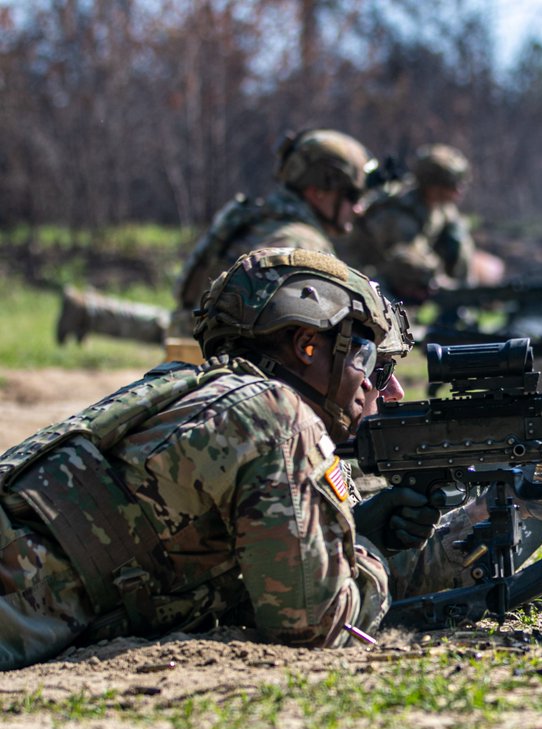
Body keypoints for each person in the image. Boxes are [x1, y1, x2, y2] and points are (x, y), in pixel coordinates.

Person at [2, 247, 437, 670]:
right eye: (374, 366)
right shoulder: (276, 417)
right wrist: (369, 550)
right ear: (308, 345)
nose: (391, 391)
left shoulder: (194, 394)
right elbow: (311, 627)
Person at [55, 128, 373, 358]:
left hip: (203, 328)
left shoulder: (263, 214)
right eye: (352, 195)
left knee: (166, 326)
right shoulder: (300, 242)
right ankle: (87, 311)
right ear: (318, 191)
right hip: (221, 351)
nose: (358, 208)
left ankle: (87, 311)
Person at [338, 143, 475, 305]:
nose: (458, 191)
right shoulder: (400, 211)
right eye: (451, 184)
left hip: (395, 275)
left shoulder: (440, 208)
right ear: (433, 185)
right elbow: (409, 260)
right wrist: (442, 282)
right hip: (362, 274)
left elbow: (459, 247)